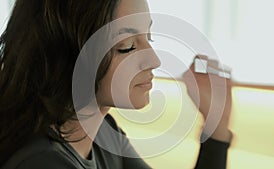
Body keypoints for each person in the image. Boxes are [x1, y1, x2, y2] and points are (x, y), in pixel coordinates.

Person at [0, 0, 233, 168]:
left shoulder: (103, 134)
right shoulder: (42, 162)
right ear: (68, 52)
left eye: (148, 37)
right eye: (128, 45)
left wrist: (217, 124)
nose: (154, 59)